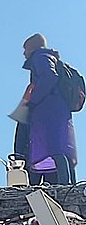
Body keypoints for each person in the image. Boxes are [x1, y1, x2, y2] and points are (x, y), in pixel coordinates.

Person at [18, 33, 77, 183]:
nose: (24, 53)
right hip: (56, 111)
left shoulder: (41, 56)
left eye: (25, 49)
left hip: (48, 111)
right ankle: (69, 183)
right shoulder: (50, 58)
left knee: (54, 149)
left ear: (32, 47)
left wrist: (33, 102)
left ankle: (64, 185)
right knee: (59, 148)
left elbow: (49, 77)